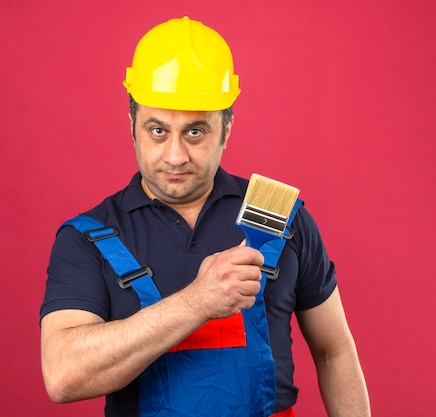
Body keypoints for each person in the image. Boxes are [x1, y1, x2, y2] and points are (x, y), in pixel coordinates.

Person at [40, 16, 370, 417]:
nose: (176, 155)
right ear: (132, 125)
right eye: (158, 131)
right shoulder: (87, 238)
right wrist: (199, 301)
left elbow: (335, 352)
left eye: (195, 132)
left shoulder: (280, 218)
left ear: (227, 128)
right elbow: (63, 376)